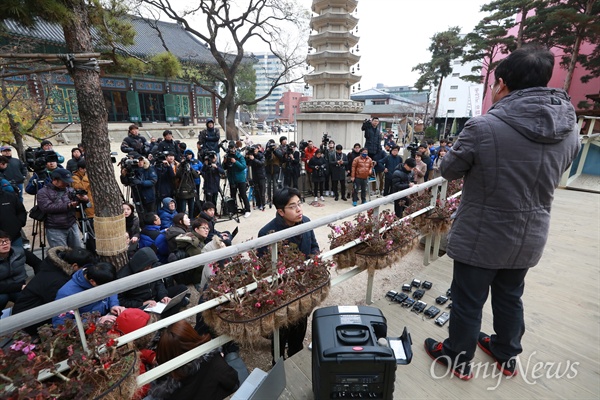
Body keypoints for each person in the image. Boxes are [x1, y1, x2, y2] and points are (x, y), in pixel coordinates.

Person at [424, 45, 580, 381]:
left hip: (482, 235)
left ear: (503, 84)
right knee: (511, 295)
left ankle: (457, 358)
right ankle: (506, 353)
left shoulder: (483, 127)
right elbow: (562, 167)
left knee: (468, 301)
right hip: (530, 233)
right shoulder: (570, 127)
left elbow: (448, 170)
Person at [258, 188, 319, 362]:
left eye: (299, 204)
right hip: (282, 292)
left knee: (300, 324)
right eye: (293, 206)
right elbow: (264, 269)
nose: (299, 209)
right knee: (281, 329)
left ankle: (296, 354)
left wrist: (313, 260)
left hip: (303, 286)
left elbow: (314, 246)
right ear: (280, 211)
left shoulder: (306, 222)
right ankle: (277, 361)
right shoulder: (267, 233)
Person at [12, 247, 95, 335]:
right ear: (74, 266)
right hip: (29, 319)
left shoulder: (54, 266)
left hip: (31, 309)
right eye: (85, 268)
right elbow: (60, 308)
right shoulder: (59, 281)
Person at [150, 320, 239, 399]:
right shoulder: (213, 361)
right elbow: (233, 382)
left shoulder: (163, 383)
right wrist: (220, 359)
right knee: (232, 354)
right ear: (192, 336)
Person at [117, 248, 188, 317]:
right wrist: (142, 304)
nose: (150, 269)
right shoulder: (123, 277)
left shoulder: (152, 266)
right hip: (141, 303)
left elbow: (159, 282)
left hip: (156, 298)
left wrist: (163, 295)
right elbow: (121, 300)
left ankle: (166, 317)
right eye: (147, 268)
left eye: (150, 266)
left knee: (182, 288)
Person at [52, 262, 125, 326]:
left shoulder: (100, 276)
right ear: (92, 282)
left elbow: (110, 289)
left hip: (107, 317)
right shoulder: (66, 294)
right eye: (104, 287)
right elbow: (59, 323)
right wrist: (95, 321)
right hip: (87, 330)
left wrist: (114, 305)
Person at [37, 168, 87, 249]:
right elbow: (46, 208)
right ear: (55, 180)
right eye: (64, 181)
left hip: (72, 225)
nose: (66, 183)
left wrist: (84, 200)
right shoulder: (43, 192)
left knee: (77, 252)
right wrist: (68, 205)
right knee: (61, 255)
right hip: (55, 228)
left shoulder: (69, 190)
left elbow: (80, 205)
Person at [0, 231, 26, 311]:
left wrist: (37, 281)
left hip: (18, 285)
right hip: (3, 290)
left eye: (7, 240)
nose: (5, 244)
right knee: (2, 298)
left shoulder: (19, 251)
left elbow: (38, 263)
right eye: (0, 242)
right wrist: (20, 287)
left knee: (29, 297)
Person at [223, 143, 251, 218]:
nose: (232, 150)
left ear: (235, 148)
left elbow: (243, 166)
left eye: (233, 148)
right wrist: (225, 162)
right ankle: (233, 210)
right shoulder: (227, 156)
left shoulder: (240, 156)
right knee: (233, 196)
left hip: (240, 179)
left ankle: (248, 210)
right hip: (232, 179)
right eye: (230, 148)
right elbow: (224, 168)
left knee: (243, 195)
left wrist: (235, 162)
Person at [247, 145, 267, 211]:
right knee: (256, 191)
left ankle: (263, 204)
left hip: (261, 176)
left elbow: (262, 163)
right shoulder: (251, 155)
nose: (254, 151)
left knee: (262, 191)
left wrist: (254, 159)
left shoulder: (261, 155)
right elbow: (248, 164)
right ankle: (258, 204)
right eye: (253, 150)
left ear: (258, 149)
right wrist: (248, 157)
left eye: (255, 149)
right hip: (255, 176)